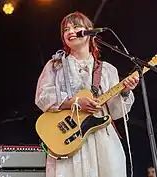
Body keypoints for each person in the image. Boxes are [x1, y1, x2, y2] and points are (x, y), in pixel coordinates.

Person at [35, 11, 139, 177]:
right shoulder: (55, 66)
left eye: (76, 27)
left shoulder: (107, 70)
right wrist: (74, 103)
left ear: (90, 32)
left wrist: (125, 92)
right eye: (65, 29)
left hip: (102, 140)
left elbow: (116, 112)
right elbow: (42, 97)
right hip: (68, 139)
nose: (70, 31)